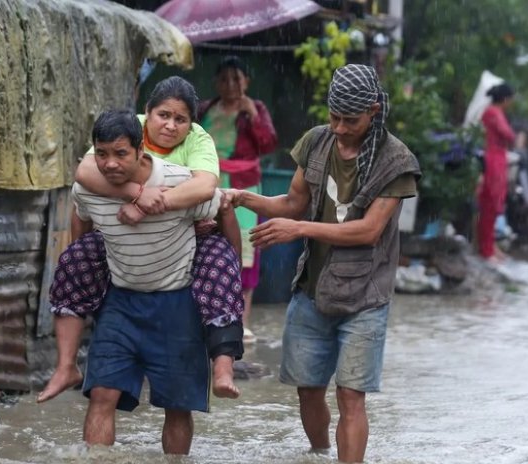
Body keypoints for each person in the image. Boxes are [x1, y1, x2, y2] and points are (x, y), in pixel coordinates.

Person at [222, 64, 420, 463]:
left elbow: (368, 230)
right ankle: (318, 454)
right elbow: (293, 202)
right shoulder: (316, 141)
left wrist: (299, 228)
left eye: (351, 120)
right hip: (311, 290)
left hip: (365, 296)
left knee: (350, 395)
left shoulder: (396, 160)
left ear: (374, 111)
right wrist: (241, 197)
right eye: (334, 117)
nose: (340, 128)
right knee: (308, 390)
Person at [37, 76, 244, 404]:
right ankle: (66, 366)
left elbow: (206, 189)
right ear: (147, 114)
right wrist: (136, 193)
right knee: (75, 258)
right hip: (124, 237)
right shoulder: (125, 130)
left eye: (180, 119)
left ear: (191, 124)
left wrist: (150, 205)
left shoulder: (198, 140)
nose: (171, 125)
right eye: (163, 115)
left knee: (221, 266)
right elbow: (85, 174)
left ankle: (223, 367)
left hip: (192, 228)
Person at [71, 109, 226, 454]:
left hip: (176, 303)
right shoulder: (88, 187)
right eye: (102, 154)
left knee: (177, 404)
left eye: (120, 153)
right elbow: (80, 217)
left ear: (141, 151)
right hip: (120, 300)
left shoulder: (180, 182)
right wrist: (81, 269)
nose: (110, 164)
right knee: (101, 394)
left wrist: (225, 276)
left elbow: (218, 206)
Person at [198, 56, 278, 343]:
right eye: (224, 79)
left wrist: (253, 115)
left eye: (236, 78)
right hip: (208, 182)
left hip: (243, 187)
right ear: (216, 83)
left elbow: (268, 143)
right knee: (206, 240)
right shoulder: (205, 108)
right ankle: (208, 316)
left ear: (247, 82)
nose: (230, 84)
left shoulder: (255, 109)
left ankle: (242, 321)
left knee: (245, 249)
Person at [477, 83, 516, 262]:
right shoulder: (493, 112)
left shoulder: (495, 112)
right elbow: (508, 135)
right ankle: (486, 249)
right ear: (506, 99)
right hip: (493, 160)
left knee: (494, 204)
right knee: (490, 204)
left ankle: (490, 245)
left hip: (498, 159)